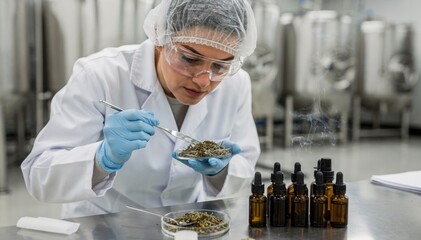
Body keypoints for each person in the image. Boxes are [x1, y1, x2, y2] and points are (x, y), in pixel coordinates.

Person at [21, 0, 260, 218]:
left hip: (186, 222)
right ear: (159, 40)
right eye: (189, 59)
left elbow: (245, 166)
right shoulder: (100, 75)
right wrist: (102, 158)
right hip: (106, 223)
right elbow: (39, 176)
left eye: (220, 65)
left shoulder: (236, 84)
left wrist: (220, 171)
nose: (203, 80)